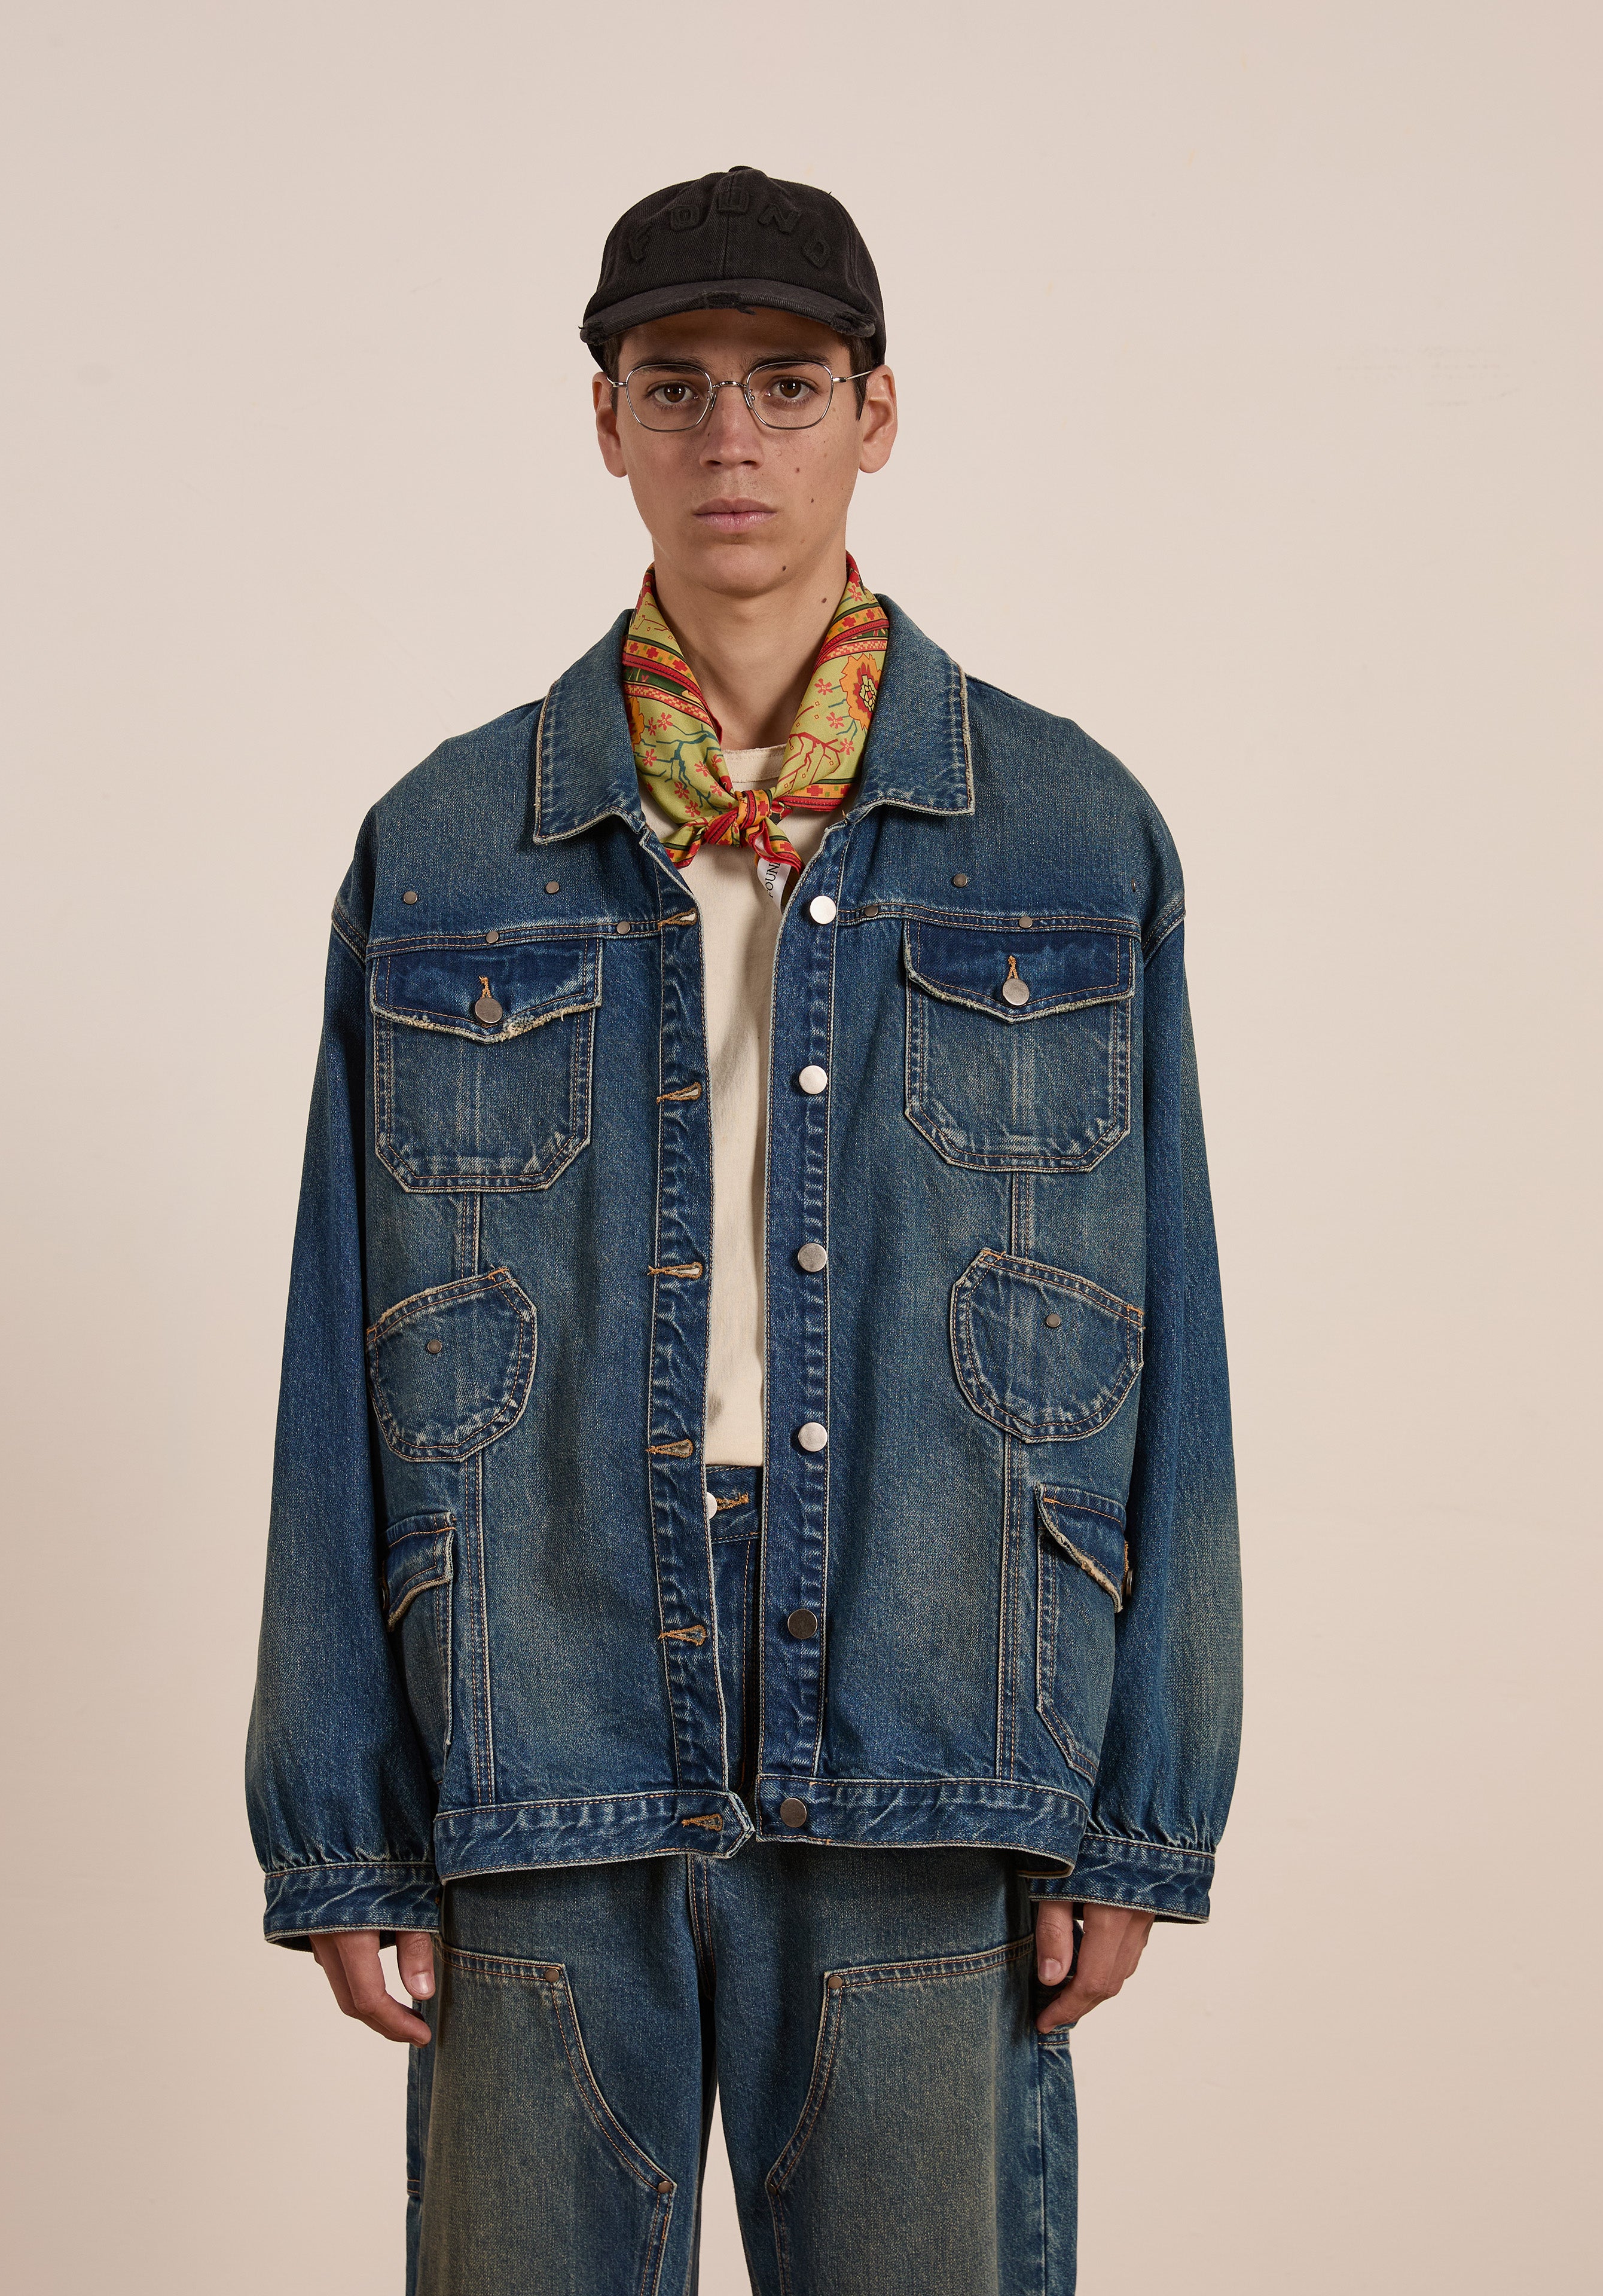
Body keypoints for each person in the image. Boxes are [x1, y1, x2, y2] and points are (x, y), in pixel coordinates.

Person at [246, 165, 1242, 2295]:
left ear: (878, 415)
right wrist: (338, 1809)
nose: (730, 442)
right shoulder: (441, 849)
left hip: (932, 1719)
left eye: (786, 387)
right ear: (598, 418)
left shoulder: (1072, 836)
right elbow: (340, 1347)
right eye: (673, 386)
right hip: (545, 1719)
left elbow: (1177, 1343)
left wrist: (1143, 1805)